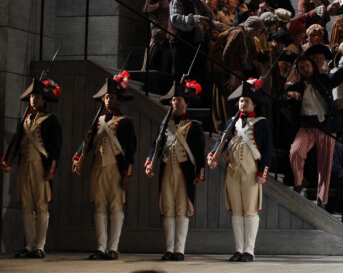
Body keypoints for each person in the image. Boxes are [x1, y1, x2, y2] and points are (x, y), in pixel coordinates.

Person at [72, 73, 137, 260]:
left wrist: (126, 174)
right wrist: (77, 157)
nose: (109, 100)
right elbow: (87, 142)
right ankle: (100, 247)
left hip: (116, 169)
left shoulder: (125, 122)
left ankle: (113, 248)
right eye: (107, 97)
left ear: (118, 100)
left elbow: (130, 150)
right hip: (98, 169)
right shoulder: (98, 122)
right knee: (100, 208)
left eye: (112, 97)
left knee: (116, 208)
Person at [207, 79, 273, 262]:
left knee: (250, 211)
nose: (243, 104)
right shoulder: (231, 122)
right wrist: (213, 155)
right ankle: (238, 249)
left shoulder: (262, 123)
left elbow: (267, 150)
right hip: (233, 170)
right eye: (241, 100)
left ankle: (249, 251)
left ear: (253, 104)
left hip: (252, 171)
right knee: (236, 211)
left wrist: (263, 173)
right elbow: (222, 141)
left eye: (246, 101)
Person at [287, 51, 343, 206]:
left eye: (307, 66)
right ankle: (298, 182)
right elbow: (281, 98)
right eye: (302, 68)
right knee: (295, 152)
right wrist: (289, 93)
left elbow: (337, 77)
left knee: (325, 165)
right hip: (307, 127)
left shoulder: (323, 79)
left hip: (326, 127)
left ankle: (322, 199)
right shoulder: (297, 86)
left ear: (313, 67)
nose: (306, 70)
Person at [144, 79, 206, 261]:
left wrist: (199, 173)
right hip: (166, 170)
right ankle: (169, 249)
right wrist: (149, 162)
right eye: (173, 100)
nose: (175, 102)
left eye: (178, 99)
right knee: (168, 209)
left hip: (184, 172)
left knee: (181, 209)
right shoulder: (165, 125)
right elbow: (155, 146)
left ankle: (179, 250)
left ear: (186, 103)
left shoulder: (194, 127)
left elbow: (199, 153)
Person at [0, 79, 62, 259]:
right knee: (27, 207)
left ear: (44, 100)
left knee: (41, 206)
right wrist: (7, 159)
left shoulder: (51, 120)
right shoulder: (26, 119)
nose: (34, 99)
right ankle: (28, 245)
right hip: (25, 167)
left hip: (40, 167)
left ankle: (39, 246)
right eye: (32, 96)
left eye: (37, 96)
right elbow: (16, 141)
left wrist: (51, 169)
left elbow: (56, 147)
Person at [169, 0, 212, 79]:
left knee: (195, 75)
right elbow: (175, 19)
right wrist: (194, 19)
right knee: (180, 72)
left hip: (195, 42)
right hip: (181, 42)